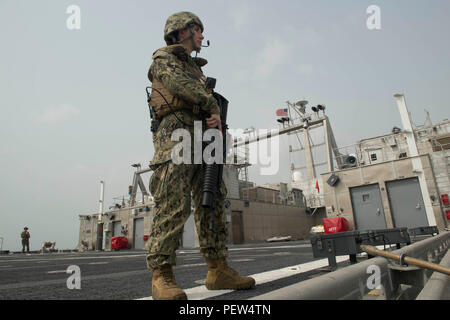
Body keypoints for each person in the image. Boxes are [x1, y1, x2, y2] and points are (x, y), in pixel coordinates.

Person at [145, 11, 255, 300]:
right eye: (199, 30)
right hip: (176, 135)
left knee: (213, 199)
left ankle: (218, 269)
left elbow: (197, 92)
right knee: (173, 202)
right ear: (183, 31)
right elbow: (179, 85)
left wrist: (215, 121)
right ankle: (162, 275)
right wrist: (212, 107)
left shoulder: (195, 67)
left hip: (202, 136)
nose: (202, 36)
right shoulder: (164, 59)